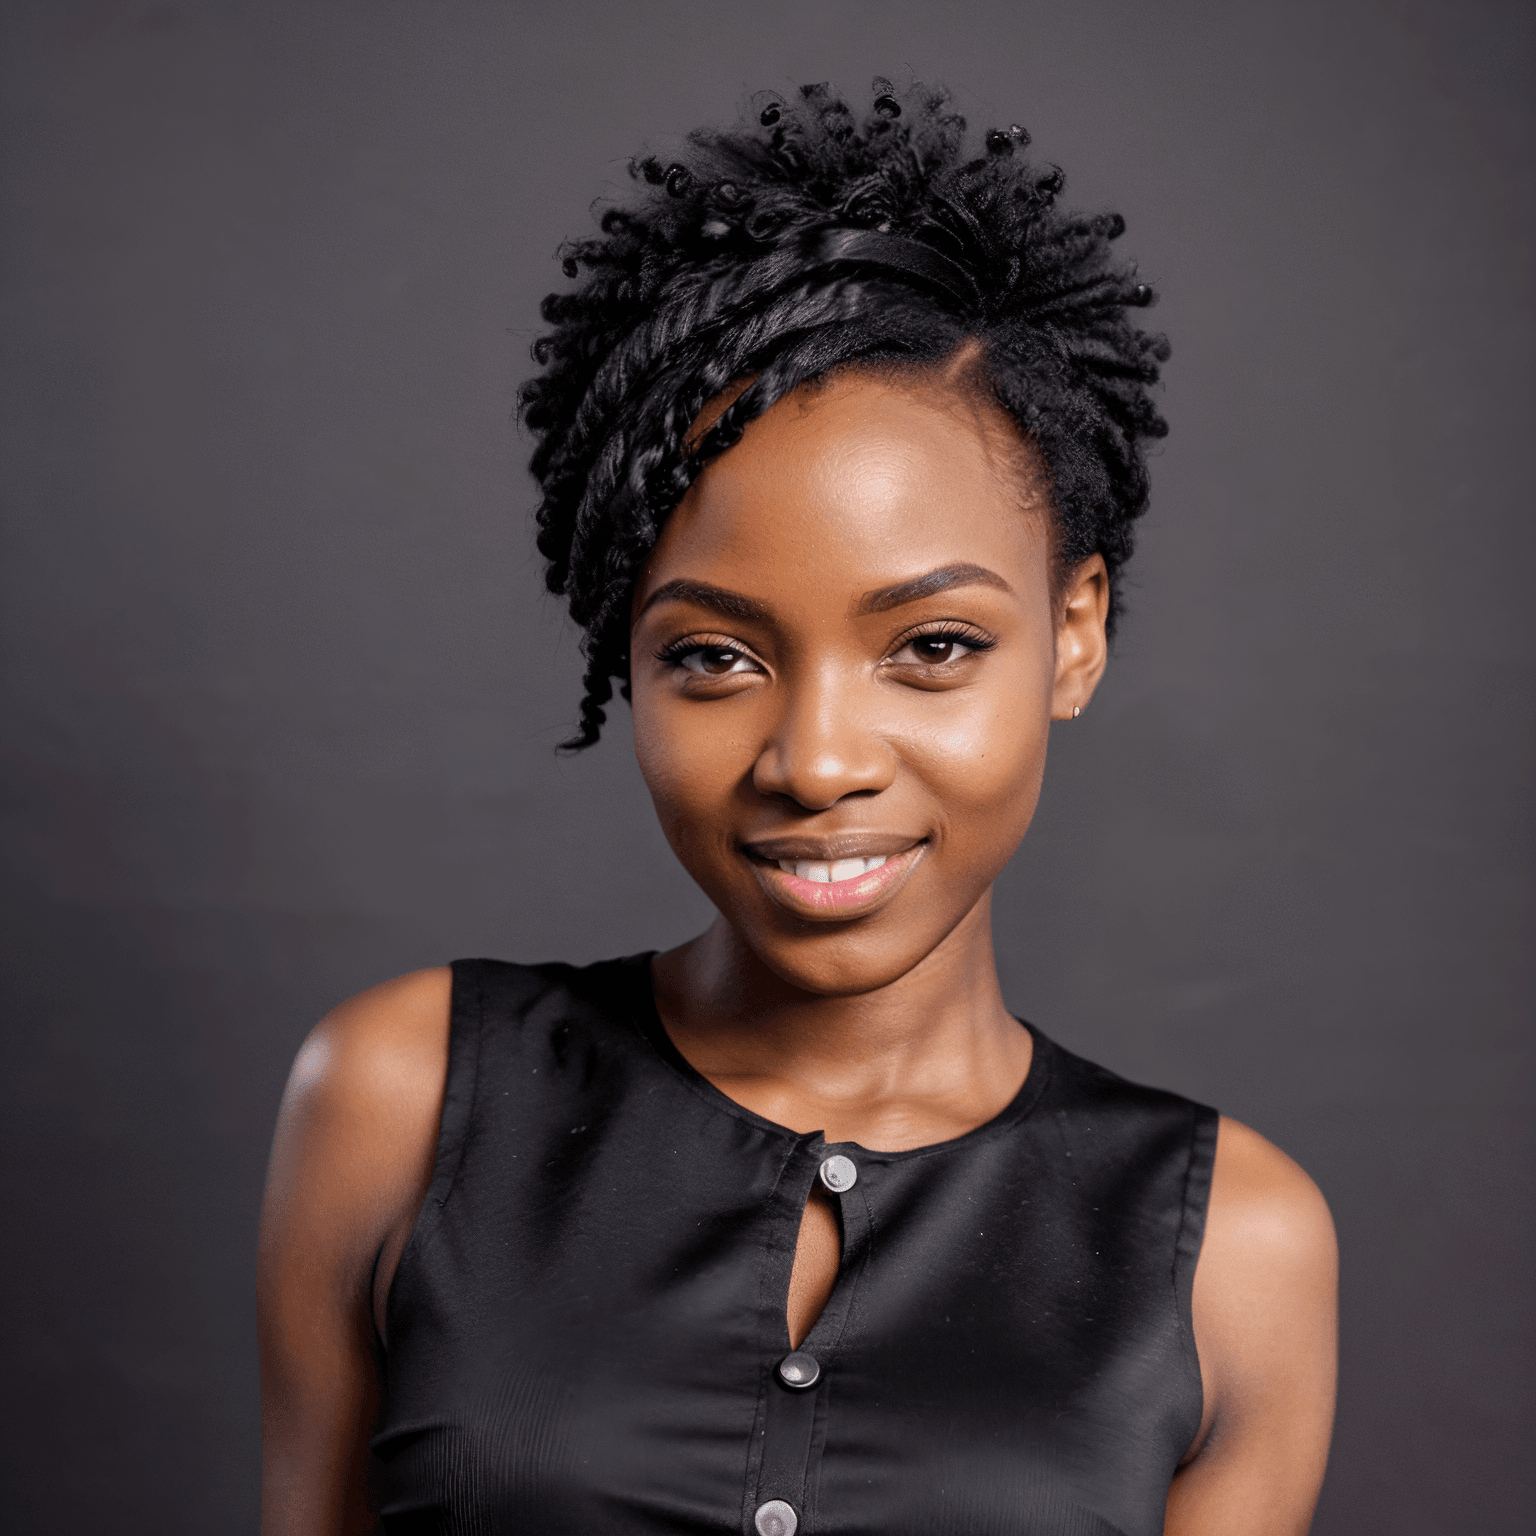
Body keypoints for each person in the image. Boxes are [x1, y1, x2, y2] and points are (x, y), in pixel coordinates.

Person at [258, 80, 1337, 1536]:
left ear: (1074, 634)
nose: (817, 761)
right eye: (714, 657)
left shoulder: (1232, 1248)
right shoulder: (399, 1100)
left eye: (932, 649)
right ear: (624, 662)